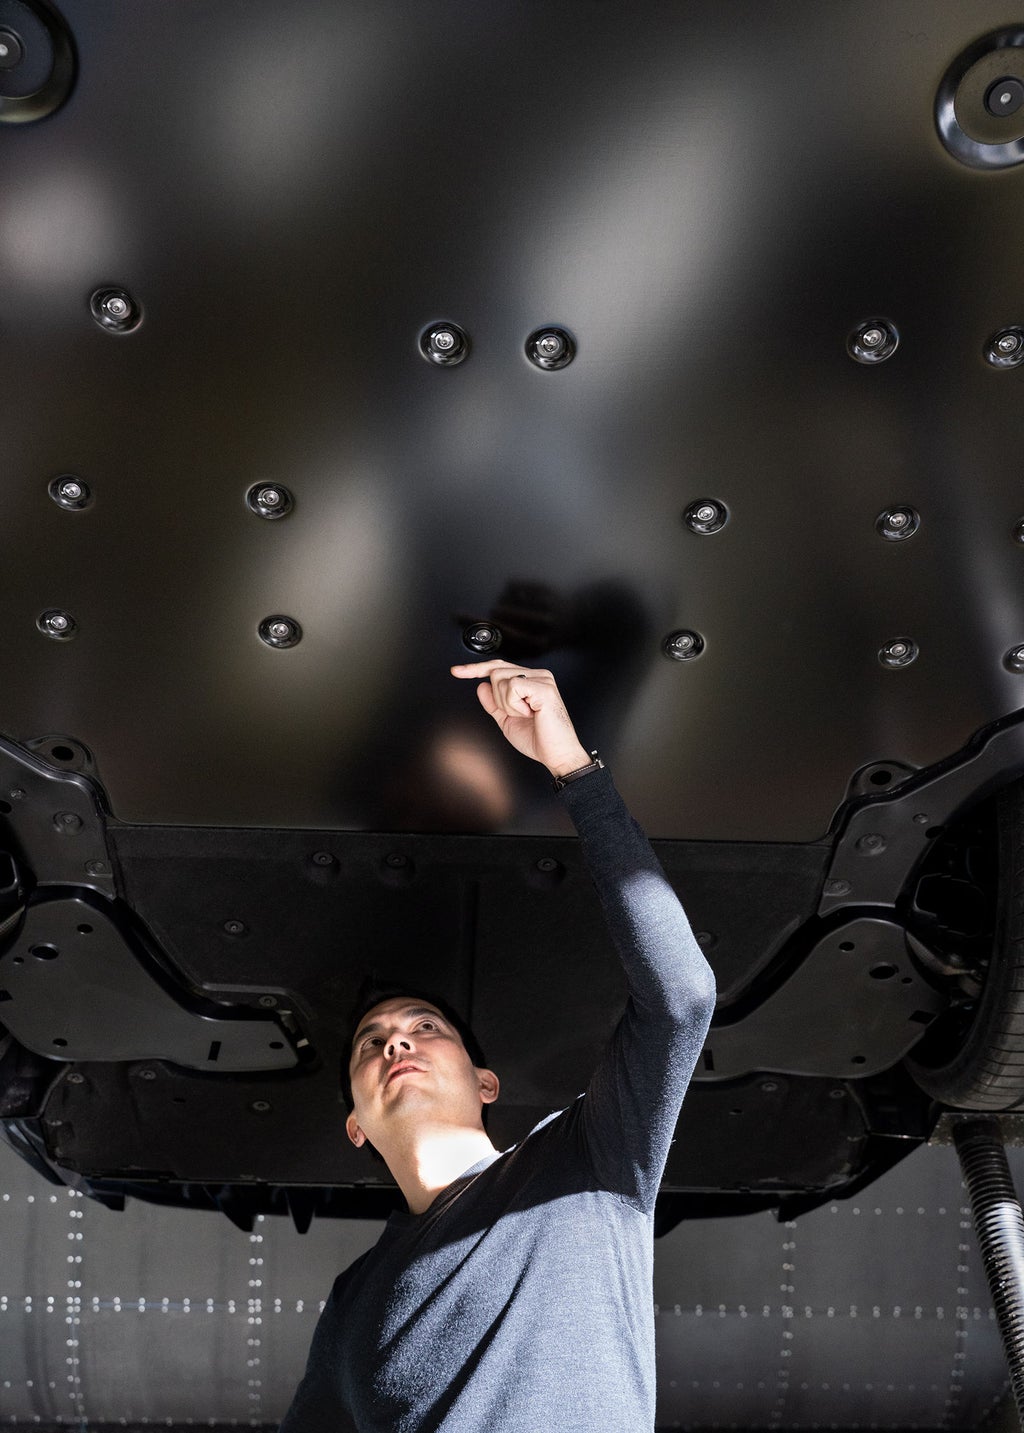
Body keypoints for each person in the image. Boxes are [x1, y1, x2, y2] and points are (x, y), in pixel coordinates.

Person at [279, 661, 716, 1433]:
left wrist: (573, 769)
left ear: (485, 1081)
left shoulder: (588, 1161)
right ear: (356, 1122)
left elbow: (680, 999)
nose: (396, 1044)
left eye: (424, 1028)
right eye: (371, 1042)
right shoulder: (356, 1299)